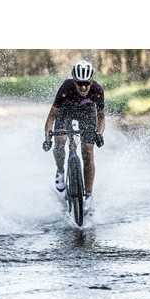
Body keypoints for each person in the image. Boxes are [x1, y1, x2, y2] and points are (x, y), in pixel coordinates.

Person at [43, 60, 105, 198]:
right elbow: (51, 117)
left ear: (91, 81)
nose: (83, 87)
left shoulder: (97, 90)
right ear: (74, 81)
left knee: (88, 152)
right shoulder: (66, 87)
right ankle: (60, 170)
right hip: (65, 111)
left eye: (86, 83)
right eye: (79, 83)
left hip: (87, 113)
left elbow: (101, 118)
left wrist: (99, 134)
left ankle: (88, 195)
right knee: (60, 140)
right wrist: (47, 138)